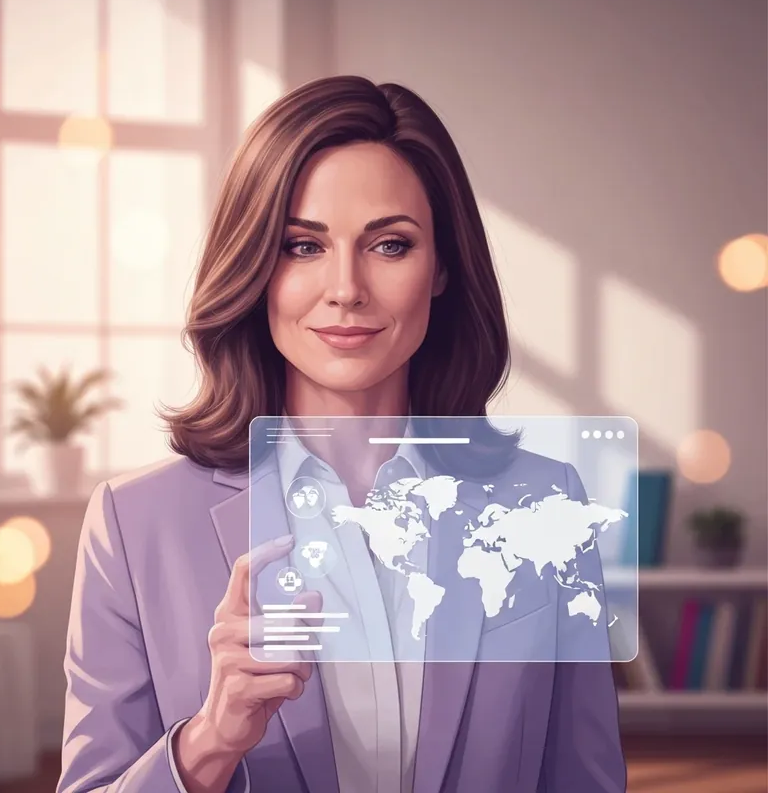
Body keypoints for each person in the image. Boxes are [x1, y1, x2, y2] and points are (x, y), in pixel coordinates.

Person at [58, 76, 626, 793]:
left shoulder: (548, 503)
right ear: (256, 268)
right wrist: (209, 743)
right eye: (302, 246)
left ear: (443, 267)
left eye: (390, 245)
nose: (346, 288)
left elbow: (586, 778)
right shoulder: (134, 528)